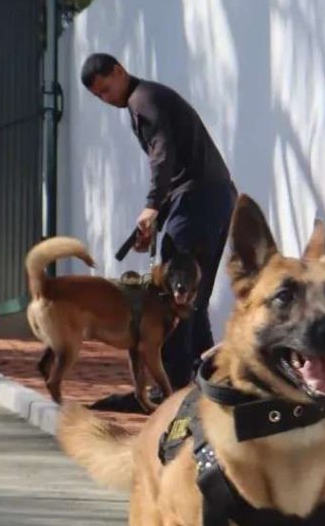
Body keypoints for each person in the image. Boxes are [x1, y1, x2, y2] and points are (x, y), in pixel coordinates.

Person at [80, 52, 238, 391]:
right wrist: (155, 219)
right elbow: (178, 162)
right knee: (190, 299)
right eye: (98, 97)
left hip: (200, 198)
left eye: (106, 89)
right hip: (213, 197)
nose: (106, 100)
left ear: (120, 71)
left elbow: (162, 153)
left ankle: (171, 388)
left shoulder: (142, 100)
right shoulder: (149, 99)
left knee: (169, 295)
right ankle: (205, 383)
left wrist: (152, 205)